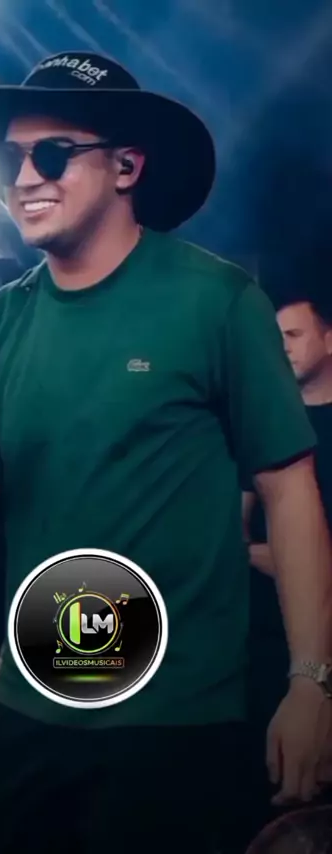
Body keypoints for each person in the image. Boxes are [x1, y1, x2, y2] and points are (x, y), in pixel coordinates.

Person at [0, 51, 332, 853]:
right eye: (9, 160)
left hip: (176, 718)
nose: (24, 178)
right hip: (31, 699)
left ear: (127, 167)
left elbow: (291, 491)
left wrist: (312, 685)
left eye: (52, 154)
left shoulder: (217, 300)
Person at [244, 297, 332, 770]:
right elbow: (232, 533)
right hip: (265, 638)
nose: (283, 348)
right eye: (276, 339)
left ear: (329, 341)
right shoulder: (262, 426)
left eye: (294, 336)